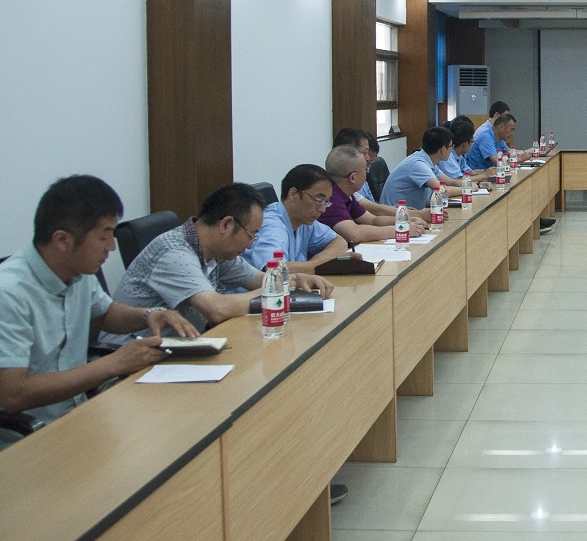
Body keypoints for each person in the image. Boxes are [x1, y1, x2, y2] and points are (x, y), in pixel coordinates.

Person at [0, 176, 199, 448]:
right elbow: (14, 394)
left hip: (80, 414)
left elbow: (105, 313)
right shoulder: (9, 293)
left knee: (175, 434)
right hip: (28, 440)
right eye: (103, 237)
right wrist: (113, 364)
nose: (112, 246)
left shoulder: (78, 271)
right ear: (62, 240)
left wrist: (149, 315)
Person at [102, 183, 333, 346]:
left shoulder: (217, 252)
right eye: (251, 234)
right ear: (226, 225)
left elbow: (259, 280)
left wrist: (295, 280)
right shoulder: (174, 253)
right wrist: (275, 288)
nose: (251, 245)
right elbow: (216, 309)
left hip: (179, 349)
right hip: (131, 359)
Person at [246, 165, 355, 273]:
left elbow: (339, 242)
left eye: (326, 202)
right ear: (293, 194)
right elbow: (273, 268)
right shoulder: (273, 227)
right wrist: (324, 265)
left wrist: (314, 264)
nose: (323, 209)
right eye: (319, 200)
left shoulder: (303, 220)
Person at [380, 127, 467, 209]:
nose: (452, 149)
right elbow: (441, 190)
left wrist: (469, 185)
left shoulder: (429, 161)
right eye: (451, 146)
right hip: (397, 214)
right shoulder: (418, 164)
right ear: (443, 149)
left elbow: (451, 182)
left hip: (411, 212)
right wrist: (466, 190)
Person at [333, 127, 394, 219]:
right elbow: (375, 211)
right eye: (365, 153)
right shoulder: (337, 194)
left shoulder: (355, 191)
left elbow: (374, 217)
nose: (367, 158)